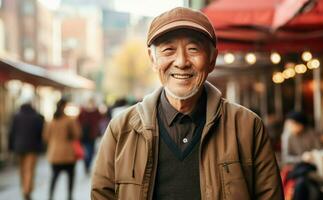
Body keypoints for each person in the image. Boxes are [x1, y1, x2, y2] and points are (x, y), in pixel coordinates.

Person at [91, 7, 283, 199]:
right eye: (168, 50)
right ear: (153, 59)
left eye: (193, 49)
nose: (181, 62)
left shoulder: (247, 126)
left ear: (212, 59)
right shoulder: (122, 129)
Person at [43, 98, 81, 200]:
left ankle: (50, 196)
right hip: (68, 153)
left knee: (54, 177)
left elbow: (45, 137)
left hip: (54, 153)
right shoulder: (69, 120)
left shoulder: (51, 121)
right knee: (71, 177)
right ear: (64, 106)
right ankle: (69, 196)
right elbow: (77, 134)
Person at [8, 102, 44, 200]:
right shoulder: (36, 116)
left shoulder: (16, 116)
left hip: (19, 147)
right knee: (29, 170)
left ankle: (24, 189)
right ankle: (27, 190)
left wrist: (10, 147)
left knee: (22, 170)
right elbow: (40, 133)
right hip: (32, 147)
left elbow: (11, 132)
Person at [78, 97, 102, 174]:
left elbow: (99, 120)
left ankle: (87, 165)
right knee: (86, 152)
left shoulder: (96, 111)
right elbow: (78, 122)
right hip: (84, 135)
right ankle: (86, 165)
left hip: (92, 135)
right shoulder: (83, 111)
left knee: (91, 152)